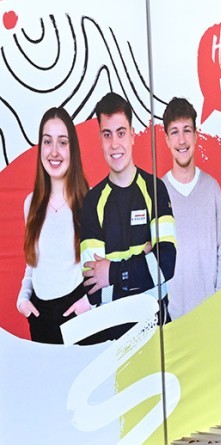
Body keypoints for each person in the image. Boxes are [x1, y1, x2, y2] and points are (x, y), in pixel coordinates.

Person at [80, 93, 177, 334]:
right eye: (107, 134)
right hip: (112, 338)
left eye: (121, 133)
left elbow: (166, 265)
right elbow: (94, 291)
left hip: (157, 331)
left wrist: (112, 272)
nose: (114, 144)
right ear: (100, 139)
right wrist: (145, 262)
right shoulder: (92, 202)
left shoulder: (155, 189)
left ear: (133, 135)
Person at [17, 107, 92, 343]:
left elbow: (101, 265)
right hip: (41, 320)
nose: (54, 152)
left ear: (72, 149)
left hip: (77, 315)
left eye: (62, 142)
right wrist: (23, 299)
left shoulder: (89, 202)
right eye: (47, 141)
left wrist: (90, 302)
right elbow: (33, 264)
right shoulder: (30, 204)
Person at [160, 98, 221, 320]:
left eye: (187, 130)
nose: (181, 140)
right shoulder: (158, 193)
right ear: (166, 139)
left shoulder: (212, 188)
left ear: (196, 135)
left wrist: (218, 299)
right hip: (171, 318)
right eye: (175, 132)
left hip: (210, 314)